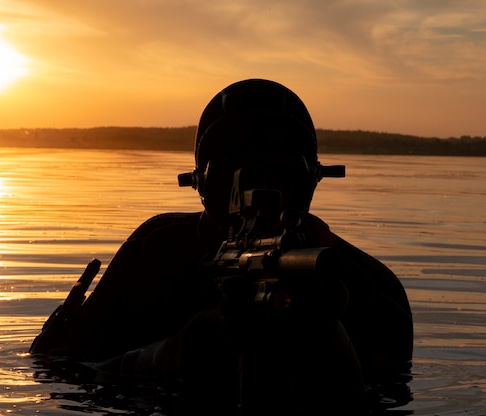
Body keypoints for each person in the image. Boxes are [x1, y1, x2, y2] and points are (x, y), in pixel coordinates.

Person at [30, 79, 413, 413]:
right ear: (201, 184)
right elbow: (64, 370)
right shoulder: (156, 253)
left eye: (282, 175)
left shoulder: (365, 286)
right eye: (234, 177)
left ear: (310, 181)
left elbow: (384, 397)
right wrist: (179, 352)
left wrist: (323, 335)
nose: (259, 194)